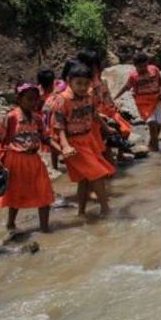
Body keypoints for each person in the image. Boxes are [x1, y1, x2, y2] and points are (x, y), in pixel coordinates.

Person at [50, 62, 116, 216]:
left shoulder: (89, 96)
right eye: (78, 83)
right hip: (73, 143)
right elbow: (58, 125)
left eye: (86, 84)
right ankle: (106, 209)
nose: (82, 87)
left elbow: (93, 114)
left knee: (84, 179)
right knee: (98, 174)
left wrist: (106, 128)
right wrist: (65, 146)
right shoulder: (62, 100)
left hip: (88, 139)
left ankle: (81, 212)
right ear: (69, 81)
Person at [0, 83, 56, 232]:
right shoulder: (11, 117)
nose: (33, 103)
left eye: (35, 100)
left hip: (34, 159)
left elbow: (45, 138)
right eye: (29, 99)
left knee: (44, 192)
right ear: (20, 99)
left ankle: (45, 229)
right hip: (15, 159)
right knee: (15, 193)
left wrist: (63, 149)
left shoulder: (37, 118)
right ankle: (10, 224)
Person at [77, 49, 132, 161]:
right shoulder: (83, 84)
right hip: (94, 117)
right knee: (104, 144)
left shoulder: (100, 79)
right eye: (93, 66)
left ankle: (119, 156)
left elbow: (106, 94)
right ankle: (108, 164)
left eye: (96, 65)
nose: (96, 68)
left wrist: (114, 105)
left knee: (125, 130)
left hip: (107, 111)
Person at [114, 51, 161, 152]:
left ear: (147, 63)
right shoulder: (134, 76)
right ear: (135, 66)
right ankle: (156, 151)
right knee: (152, 123)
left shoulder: (154, 70)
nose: (142, 69)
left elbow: (159, 80)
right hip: (143, 103)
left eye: (144, 66)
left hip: (156, 100)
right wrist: (116, 97)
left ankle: (151, 143)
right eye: (140, 67)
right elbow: (126, 87)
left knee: (159, 124)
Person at [37, 68, 65, 169]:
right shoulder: (39, 92)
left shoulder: (59, 86)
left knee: (60, 138)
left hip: (57, 116)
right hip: (47, 119)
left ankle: (60, 160)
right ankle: (55, 166)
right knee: (53, 141)